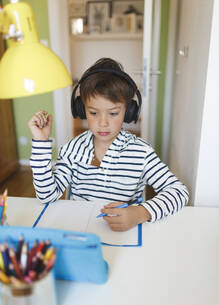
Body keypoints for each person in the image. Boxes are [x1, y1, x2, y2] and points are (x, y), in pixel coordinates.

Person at [28, 58, 189, 231]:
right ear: (81, 110)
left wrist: (140, 213)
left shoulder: (141, 153)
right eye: (93, 112)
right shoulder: (71, 149)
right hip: (81, 230)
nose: (103, 123)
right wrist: (41, 142)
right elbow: (46, 196)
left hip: (124, 233)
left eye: (113, 113)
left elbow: (179, 192)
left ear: (128, 112)